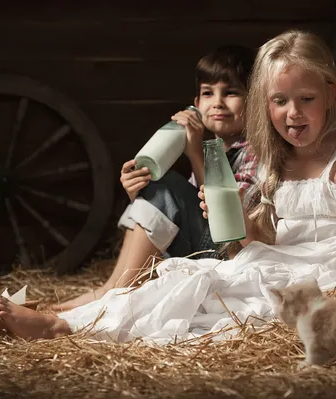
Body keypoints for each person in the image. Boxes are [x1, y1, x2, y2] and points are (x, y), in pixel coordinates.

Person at [0, 30, 336, 343]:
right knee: (183, 287)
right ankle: (58, 324)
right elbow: (266, 237)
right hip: (273, 259)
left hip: (327, 270)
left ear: (330, 95)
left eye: (306, 100)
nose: (293, 113)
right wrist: (248, 228)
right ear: (266, 104)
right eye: (280, 101)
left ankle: (59, 324)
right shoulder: (279, 163)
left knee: (210, 304)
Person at [52, 45, 258, 311]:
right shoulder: (214, 150)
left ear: (252, 102)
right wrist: (138, 192)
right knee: (159, 185)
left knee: (169, 184)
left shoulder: (253, 151)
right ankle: (110, 289)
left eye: (230, 93)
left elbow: (227, 218)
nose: (217, 102)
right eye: (208, 93)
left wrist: (194, 153)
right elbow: (175, 213)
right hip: (199, 248)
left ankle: (114, 292)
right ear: (196, 104)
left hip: (229, 253)